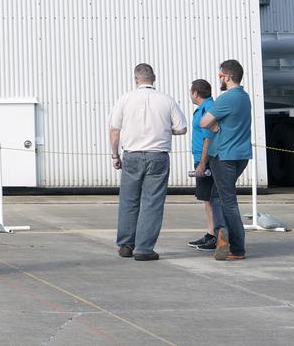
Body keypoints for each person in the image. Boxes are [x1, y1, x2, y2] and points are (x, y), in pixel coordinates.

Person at [108, 63, 186, 261]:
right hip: (157, 155)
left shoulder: (125, 99)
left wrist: (115, 155)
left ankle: (126, 244)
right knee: (152, 202)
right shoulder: (166, 100)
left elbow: (114, 130)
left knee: (128, 200)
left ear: (136, 79)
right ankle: (143, 249)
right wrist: (166, 129)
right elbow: (182, 128)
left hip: (132, 154)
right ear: (155, 78)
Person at [201, 59, 253, 262]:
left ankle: (236, 246)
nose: (219, 79)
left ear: (228, 76)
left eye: (220, 76)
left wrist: (213, 124)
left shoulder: (226, 98)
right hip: (240, 155)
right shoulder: (245, 97)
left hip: (224, 156)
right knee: (217, 195)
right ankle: (222, 231)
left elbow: (204, 122)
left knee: (227, 201)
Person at [186, 79, 217, 251]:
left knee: (211, 200)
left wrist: (202, 164)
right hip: (202, 158)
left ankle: (215, 237)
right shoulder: (205, 108)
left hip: (207, 159)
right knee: (207, 199)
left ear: (196, 93)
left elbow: (208, 137)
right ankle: (210, 233)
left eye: (191, 91)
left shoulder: (207, 109)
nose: (190, 94)